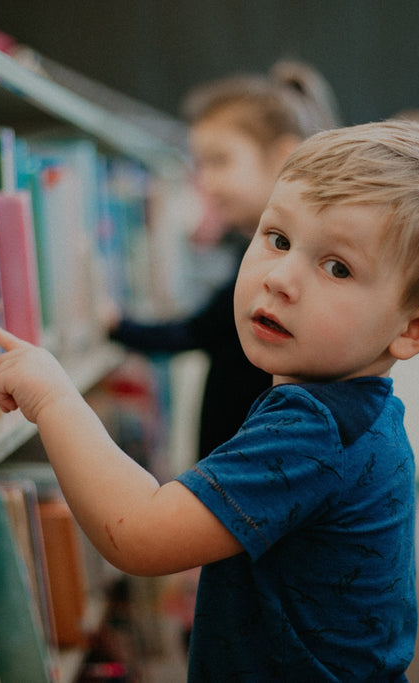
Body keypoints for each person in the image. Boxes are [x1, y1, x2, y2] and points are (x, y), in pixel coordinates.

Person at [0, 118, 419, 681]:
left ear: (412, 330)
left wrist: (52, 397)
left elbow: (138, 534)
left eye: (338, 268)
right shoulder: (359, 411)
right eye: (278, 239)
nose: (281, 278)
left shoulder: (313, 427)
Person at [106, 59, 342, 460]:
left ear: (283, 156)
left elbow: (198, 330)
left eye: (220, 161)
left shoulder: (278, 267)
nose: (207, 182)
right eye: (201, 166)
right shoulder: (250, 250)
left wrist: (117, 325)